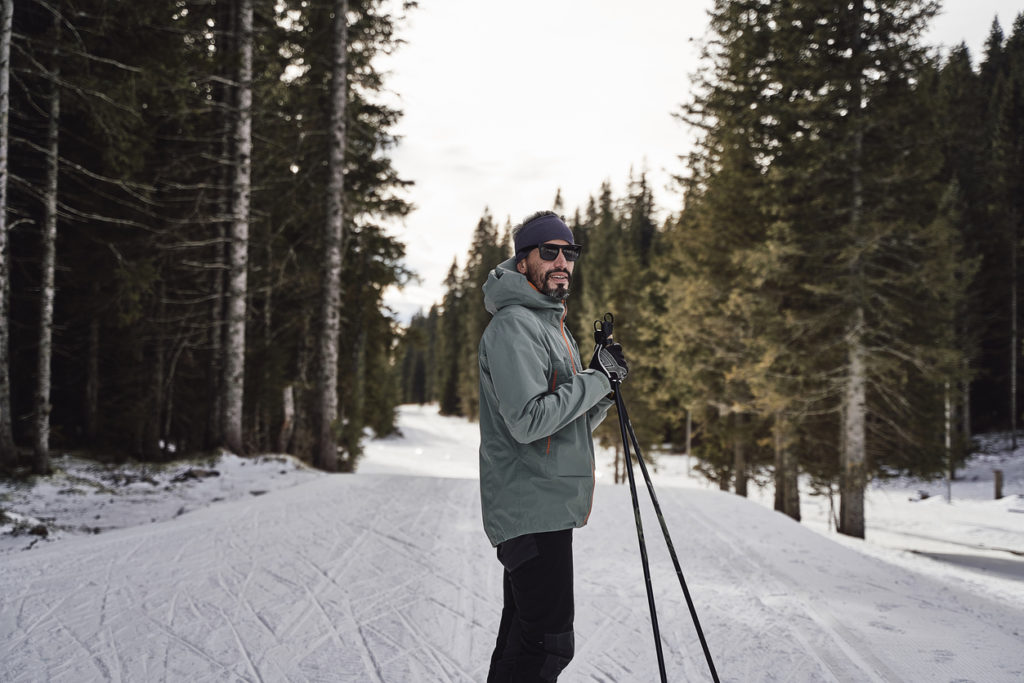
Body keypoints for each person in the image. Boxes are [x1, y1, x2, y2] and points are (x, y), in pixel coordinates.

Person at [477, 210, 629, 682]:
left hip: (543, 506)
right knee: (548, 644)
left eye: (569, 252)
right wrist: (593, 379)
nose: (562, 260)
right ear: (523, 262)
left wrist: (605, 386)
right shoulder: (514, 326)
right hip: (530, 505)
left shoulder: (551, 327)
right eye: (549, 252)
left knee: (525, 639)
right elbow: (528, 421)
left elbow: (566, 421)